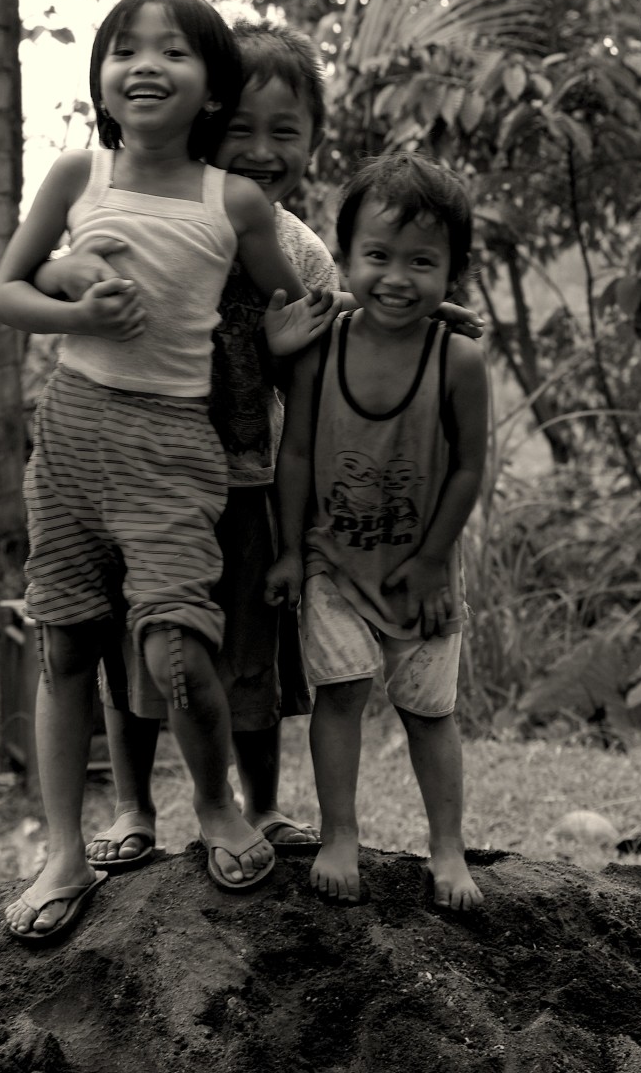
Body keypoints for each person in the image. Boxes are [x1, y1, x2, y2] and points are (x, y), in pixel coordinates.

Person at [36, 22, 484, 876]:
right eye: (240, 127)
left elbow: (334, 332)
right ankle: (134, 806)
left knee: (245, 661)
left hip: (243, 478)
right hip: (139, 469)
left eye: (286, 131)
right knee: (140, 653)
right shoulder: (161, 212)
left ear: (316, 139)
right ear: (204, 117)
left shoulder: (304, 250)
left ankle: (263, 806)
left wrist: (420, 313)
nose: (261, 149)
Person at [0, 0, 333, 942]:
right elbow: (6, 293)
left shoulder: (239, 201)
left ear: (211, 89)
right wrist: (70, 303)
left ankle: (217, 805)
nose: (147, 64)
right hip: (70, 434)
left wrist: (342, 326)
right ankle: (65, 850)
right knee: (63, 643)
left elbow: (291, 310)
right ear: (101, 78)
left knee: (176, 647)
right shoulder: (74, 174)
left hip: (178, 447)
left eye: (175, 51)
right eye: (125, 49)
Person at [265, 152, 488, 911]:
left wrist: (432, 561)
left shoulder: (457, 359)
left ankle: (449, 847)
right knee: (341, 692)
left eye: (422, 261)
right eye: (378, 256)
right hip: (334, 564)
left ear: (452, 270)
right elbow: (293, 451)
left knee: (431, 713)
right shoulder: (320, 348)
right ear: (346, 258)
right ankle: (339, 833)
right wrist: (291, 551)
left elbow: (467, 469)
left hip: (420, 575)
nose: (398, 277)